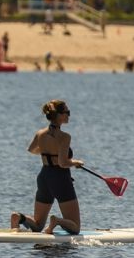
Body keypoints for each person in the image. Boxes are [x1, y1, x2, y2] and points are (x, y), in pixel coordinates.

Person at [9, 99, 86, 235]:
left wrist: (48, 154)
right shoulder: (64, 137)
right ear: (60, 115)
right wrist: (75, 162)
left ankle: (18, 217)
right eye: (67, 112)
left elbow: (32, 150)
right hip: (60, 179)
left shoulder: (40, 134)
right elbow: (63, 163)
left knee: (38, 225)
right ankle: (56, 221)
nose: (69, 115)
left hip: (44, 177)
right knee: (75, 228)